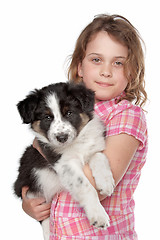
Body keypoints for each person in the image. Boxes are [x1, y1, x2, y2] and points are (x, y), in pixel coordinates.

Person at [21, 14, 148, 239]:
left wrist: (44, 147)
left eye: (118, 62)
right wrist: (28, 201)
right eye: (96, 60)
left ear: (132, 71)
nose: (106, 71)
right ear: (80, 66)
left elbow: (97, 186)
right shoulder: (71, 103)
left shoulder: (127, 115)